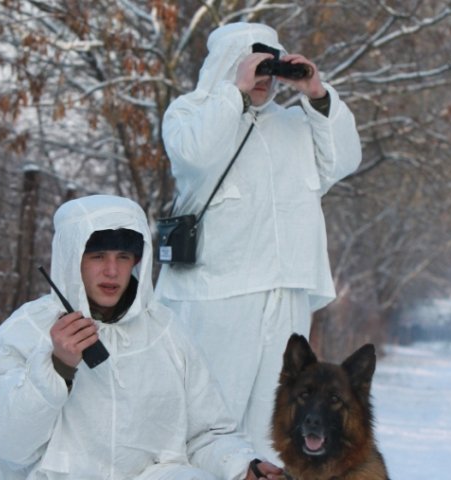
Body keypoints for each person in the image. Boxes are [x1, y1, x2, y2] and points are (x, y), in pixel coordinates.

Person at [155, 22, 362, 462]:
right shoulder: (191, 112)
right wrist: (235, 92)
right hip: (217, 295)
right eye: (256, 65)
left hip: (286, 293)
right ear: (230, 65)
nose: (265, 77)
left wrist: (316, 93)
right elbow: (194, 155)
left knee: (277, 421)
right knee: (211, 417)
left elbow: (344, 159)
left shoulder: (294, 126)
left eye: (272, 66)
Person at [0, 194, 281, 480]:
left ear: (137, 261)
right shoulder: (27, 329)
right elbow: (5, 442)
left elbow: (205, 434)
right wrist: (56, 368)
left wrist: (243, 468)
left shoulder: (165, 331)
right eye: (97, 256)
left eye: (123, 256)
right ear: (71, 257)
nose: (111, 270)